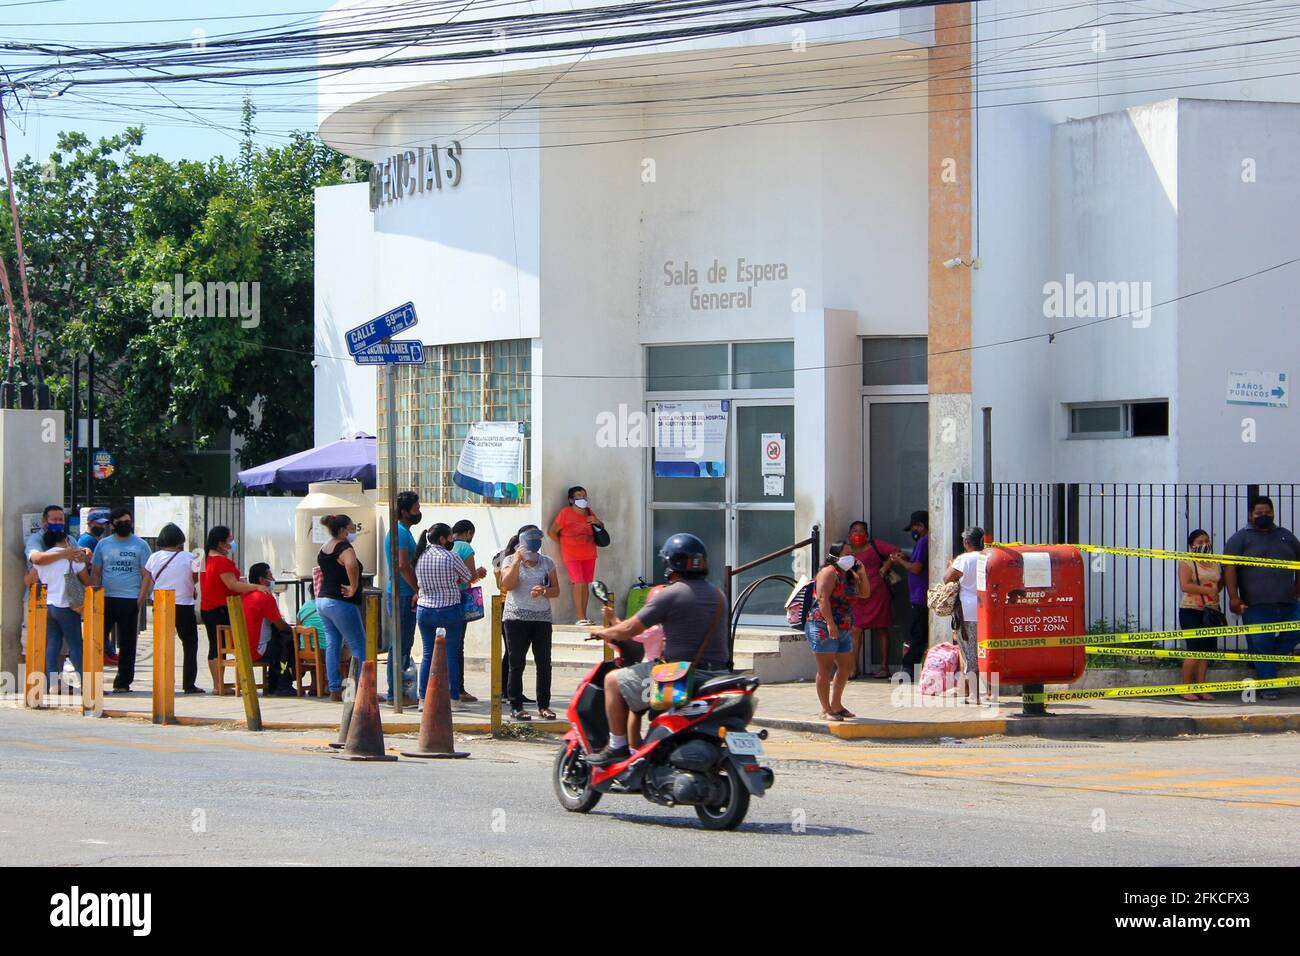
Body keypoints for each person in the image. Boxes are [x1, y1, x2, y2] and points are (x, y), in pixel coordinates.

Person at [586, 533, 729, 766]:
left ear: (671, 565)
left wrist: (605, 632)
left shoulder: (670, 594)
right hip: (718, 674)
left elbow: (629, 630)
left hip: (679, 675)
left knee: (612, 681)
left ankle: (617, 746)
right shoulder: (718, 594)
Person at [1223, 496, 1300, 700]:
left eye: (1267, 512)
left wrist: (1298, 587)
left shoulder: (1286, 536)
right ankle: (1269, 687)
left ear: (1273, 513)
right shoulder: (1240, 538)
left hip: (1288, 602)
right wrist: (1233, 597)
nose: (1263, 516)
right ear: (1251, 515)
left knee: (1290, 633)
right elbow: (1229, 568)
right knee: (1261, 643)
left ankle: (1267, 662)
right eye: (1259, 513)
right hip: (1256, 605)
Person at [499, 526, 560, 720]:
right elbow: (507, 585)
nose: (535, 541)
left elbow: (556, 590)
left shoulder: (547, 562)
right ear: (521, 540)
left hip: (541, 618)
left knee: (544, 663)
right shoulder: (509, 560)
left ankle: (544, 705)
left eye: (537, 537)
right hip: (516, 617)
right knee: (516, 662)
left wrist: (543, 590)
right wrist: (517, 561)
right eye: (530, 537)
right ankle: (516, 705)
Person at [27, 514, 92, 695]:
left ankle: (53, 683)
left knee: (52, 644)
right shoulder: (71, 558)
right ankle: (86, 683)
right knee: (75, 645)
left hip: (48, 605)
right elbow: (87, 581)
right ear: (65, 540)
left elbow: (31, 580)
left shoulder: (43, 559)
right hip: (67, 606)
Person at [199, 526, 269, 691]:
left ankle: (218, 684)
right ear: (221, 543)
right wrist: (255, 587)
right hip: (221, 608)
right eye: (230, 540)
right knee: (225, 645)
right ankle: (220, 685)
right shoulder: (222, 562)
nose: (232, 543)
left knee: (214, 645)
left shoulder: (204, 560)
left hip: (207, 607)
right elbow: (233, 585)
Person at [90, 507, 151, 693]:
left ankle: (123, 682)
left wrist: (140, 599)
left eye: (127, 521)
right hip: (106, 598)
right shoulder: (103, 544)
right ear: (113, 524)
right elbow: (96, 571)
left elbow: (146, 575)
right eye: (119, 522)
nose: (124, 525)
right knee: (97, 641)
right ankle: (93, 681)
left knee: (127, 644)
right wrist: (96, 595)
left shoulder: (141, 545)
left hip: (129, 599)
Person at [807, 543, 869, 721]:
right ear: (835, 556)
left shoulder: (849, 574)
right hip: (823, 624)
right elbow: (822, 598)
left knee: (846, 666)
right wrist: (830, 623)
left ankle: (837, 705)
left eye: (852, 554)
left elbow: (864, 594)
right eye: (847, 554)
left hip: (844, 625)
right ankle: (826, 709)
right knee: (825, 668)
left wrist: (862, 573)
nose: (851, 557)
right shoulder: (828, 572)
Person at [415, 522, 474, 704]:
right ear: (442, 539)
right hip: (450, 609)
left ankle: (423, 699)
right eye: (450, 537)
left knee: (427, 655)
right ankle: (454, 698)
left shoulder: (420, 556)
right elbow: (467, 577)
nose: (452, 540)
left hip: (425, 609)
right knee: (452, 654)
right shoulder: (451, 557)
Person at [141, 523, 204, 694]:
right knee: (190, 644)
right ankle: (189, 684)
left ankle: (163, 682)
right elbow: (195, 578)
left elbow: (147, 577)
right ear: (180, 540)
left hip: (161, 604)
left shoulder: (153, 558)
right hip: (184, 605)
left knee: (162, 645)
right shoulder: (191, 558)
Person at [316, 514, 368, 701]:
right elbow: (351, 565)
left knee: (333, 644)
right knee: (358, 645)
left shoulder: (325, 547)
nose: (354, 531)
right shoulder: (345, 547)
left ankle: (335, 689)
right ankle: (361, 690)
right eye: (352, 527)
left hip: (323, 600)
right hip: (341, 602)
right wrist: (354, 587)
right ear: (344, 530)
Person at [493, 525, 543, 703]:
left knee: (512, 654)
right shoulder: (506, 559)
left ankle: (507, 690)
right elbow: (502, 585)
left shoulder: (536, 560)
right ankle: (507, 691)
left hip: (522, 608)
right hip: (509, 607)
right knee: (513, 654)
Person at [847, 520, 901, 678]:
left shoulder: (875, 545)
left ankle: (884, 667)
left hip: (878, 594)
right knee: (856, 630)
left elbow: (897, 552)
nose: (858, 534)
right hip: (857, 596)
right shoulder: (847, 551)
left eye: (861, 531)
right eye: (854, 531)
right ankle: (853, 668)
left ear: (867, 534)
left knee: (881, 629)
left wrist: (886, 566)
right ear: (849, 535)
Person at [384, 491, 421, 705]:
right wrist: (418, 589)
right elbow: (403, 565)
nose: (419, 512)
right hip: (403, 595)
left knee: (403, 643)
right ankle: (395, 693)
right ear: (405, 511)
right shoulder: (399, 532)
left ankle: (398, 692)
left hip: (403, 593)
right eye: (416, 508)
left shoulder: (403, 532)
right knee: (400, 643)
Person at [885, 511, 930, 679]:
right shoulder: (924, 542)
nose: (914, 531)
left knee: (916, 634)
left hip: (920, 595)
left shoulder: (923, 541)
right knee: (917, 632)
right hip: (919, 594)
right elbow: (919, 563)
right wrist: (907, 557)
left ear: (920, 525)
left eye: (915, 527)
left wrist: (899, 562)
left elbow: (917, 568)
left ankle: (908, 670)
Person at [548, 485, 603, 625]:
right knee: (578, 582)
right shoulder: (565, 513)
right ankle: (580, 617)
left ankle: (584, 616)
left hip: (589, 553)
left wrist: (596, 521)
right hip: (572, 554)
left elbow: (601, 526)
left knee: (585, 584)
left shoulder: (589, 512)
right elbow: (552, 532)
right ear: (571, 499)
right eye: (578, 495)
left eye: (584, 495)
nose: (582, 498)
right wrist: (564, 544)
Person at [1177, 529, 1221, 701]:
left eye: (1206, 541)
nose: (1204, 545)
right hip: (1191, 610)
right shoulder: (1187, 562)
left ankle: (1201, 688)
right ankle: (1186, 687)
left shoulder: (1215, 562)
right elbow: (1185, 586)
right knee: (1194, 650)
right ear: (1192, 545)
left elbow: (1220, 582)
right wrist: (1207, 590)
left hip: (1211, 611)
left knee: (1205, 652)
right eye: (1200, 542)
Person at [448, 519, 489, 702]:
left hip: (438, 602)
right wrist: (479, 572)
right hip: (459, 600)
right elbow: (470, 576)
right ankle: (458, 689)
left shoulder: (444, 545)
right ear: (469, 533)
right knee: (457, 646)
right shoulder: (465, 547)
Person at [241, 563, 297, 696]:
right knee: (289, 643)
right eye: (270, 575)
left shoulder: (245, 596)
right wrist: (294, 631)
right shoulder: (264, 597)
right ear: (262, 580)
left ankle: (273, 681)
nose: (272, 579)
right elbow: (280, 625)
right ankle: (284, 684)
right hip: (257, 649)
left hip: (242, 648)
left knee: (278, 641)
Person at [943, 527, 985, 701]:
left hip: (967, 611)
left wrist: (951, 565)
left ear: (967, 543)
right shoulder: (989, 557)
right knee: (983, 651)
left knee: (969, 652)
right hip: (986, 610)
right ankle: (984, 690)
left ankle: (974, 694)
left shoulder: (964, 559)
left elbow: (947, 578)